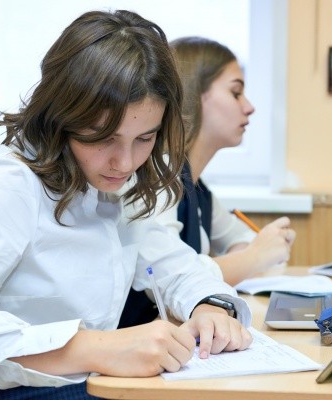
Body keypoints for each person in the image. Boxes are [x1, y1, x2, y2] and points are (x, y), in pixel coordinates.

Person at [0, 11, 253, 400]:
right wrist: (93, 347)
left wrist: (210, 307)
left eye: (144, 138)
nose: (125, 163)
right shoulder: (6, 184)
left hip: (87, 384)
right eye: (102, 137)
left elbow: (173, 266)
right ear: (60, 118)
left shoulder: (114, 183)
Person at [119, 37, 295, 328]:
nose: (249, 107)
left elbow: (242, 238)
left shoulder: (196, 185)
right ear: (194, 95)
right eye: (236, 93)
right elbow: (163, 274)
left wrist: (251, 254)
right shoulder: (157, 176)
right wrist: (253, 258)